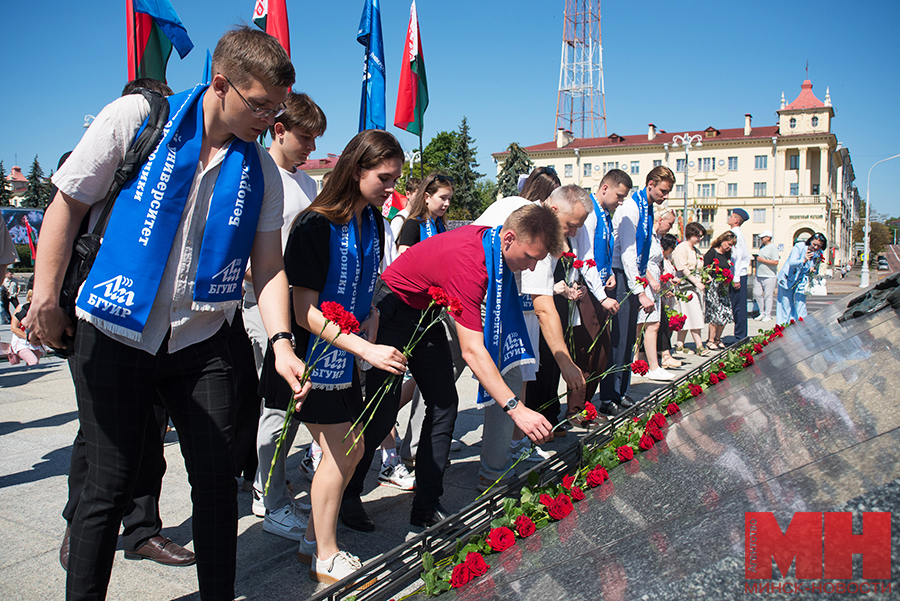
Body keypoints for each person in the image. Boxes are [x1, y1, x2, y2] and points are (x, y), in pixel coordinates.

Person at [23, 27, 312, 600]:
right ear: (221, 83)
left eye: (276, 110)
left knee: (214, 481)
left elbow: (269, 266)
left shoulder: (260, 172)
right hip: (113, 331)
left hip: (200, 341)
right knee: (107, 485)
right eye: (260, 107)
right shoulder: (138, 119)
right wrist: (45, 298)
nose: (268, 121)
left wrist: (282, 343)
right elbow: (68, 202)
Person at [54, 77, 199, 576]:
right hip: (98, 307)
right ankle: (84, 523)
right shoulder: (115, 145)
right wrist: (46, 300)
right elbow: (66, 214)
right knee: (99, 435)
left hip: (156, 320)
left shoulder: (180, 153)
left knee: (152, 428)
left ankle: (141, 529)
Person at [260, 128, 408, 586]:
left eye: (395, 178)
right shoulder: (313, 223)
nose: (391, 188)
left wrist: (371, 318)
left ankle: (311, 541)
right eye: (383, 177)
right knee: (347, 448)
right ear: (355, 169)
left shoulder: (375, 223)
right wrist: (365, 346)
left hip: (346, 358)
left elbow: (369, 279)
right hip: (309, 358)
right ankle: (325, 553)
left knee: (342, 450)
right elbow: (303, 309)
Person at [356, 203, 563, 530]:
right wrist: (515, 408)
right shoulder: (471, 263)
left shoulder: (493, 246)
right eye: (530, 257)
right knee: (380, 412)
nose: (531, 267)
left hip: (424, 312)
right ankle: (348, 496)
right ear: (509, 238)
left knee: (444, 403)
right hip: (391, 308)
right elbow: (472, 350)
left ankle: (426, 505)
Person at [241, 91, 327, 540]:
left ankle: (265, 482)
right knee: (280, 401)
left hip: (298, 306)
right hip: (261, 304)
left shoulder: (308, 184)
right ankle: (268, 498)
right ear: (278, 130)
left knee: (292, 402)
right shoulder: (255, 172)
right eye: (306, 138)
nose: (311, 149)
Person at [599, 166, 675, 415]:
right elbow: (629, 253)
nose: (665, 196)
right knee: (619, 340)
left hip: (630, 277)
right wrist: (639, 290)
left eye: (668, 192)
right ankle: (609, 395)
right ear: (650, 183)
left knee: (629, 339)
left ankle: (621, 391)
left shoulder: (647, 207)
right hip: (622, 276)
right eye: (663, 190)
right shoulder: (632, 207)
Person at [568, 169, 631, 417]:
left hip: (600, 289)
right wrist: (601, 296)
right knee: (589, 354)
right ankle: (575, 409)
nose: (621, 201)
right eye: (619, 195)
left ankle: (584, 405)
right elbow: (585, 257)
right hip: (589, 292)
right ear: (605, 188)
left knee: (601, 355)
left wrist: (610, 274)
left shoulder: (605, 214)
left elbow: (602, 251)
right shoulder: (590, 212)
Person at [636, 210, 677, 381]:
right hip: (646, 282)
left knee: (651, 324)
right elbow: (639, 259)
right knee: (647, 324)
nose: (671, 227)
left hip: (653, 284)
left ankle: (648, 364)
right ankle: (650, 366)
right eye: (670, 224)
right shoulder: (646, 235)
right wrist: (651, 279)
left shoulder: (656, 238)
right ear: (661, 220)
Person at [671, 222, 707, 355]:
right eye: (698, 236)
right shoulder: (682, 248)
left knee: (685, 315)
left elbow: (699, 266)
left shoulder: (695, 250)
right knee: (694, 314)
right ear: (691, 235)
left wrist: (705, 276)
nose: (700, 239)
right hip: (686, 286)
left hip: (694, 285)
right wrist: (696, 282)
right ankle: (699, 345)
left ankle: (680, 344)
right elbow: (683, 268)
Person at [777, 233, 826, 324]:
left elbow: (815, 269)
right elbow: (792, 263)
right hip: (788, 278)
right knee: (786, 305)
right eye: (814, 244)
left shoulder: (818, 253)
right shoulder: (799, 246)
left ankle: (801, 325)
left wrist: (813, 270)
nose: (815, 247)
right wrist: (804, 260)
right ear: (810, 241)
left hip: (801, 281)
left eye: (819, 246)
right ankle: (783, 327)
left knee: (800, 303)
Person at [704, 231, 737, 350]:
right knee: (715, 313)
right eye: (728, 244)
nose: (729, 247)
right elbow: (705, 267)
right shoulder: (713, 252)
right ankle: (710, 339)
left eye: (731, 245)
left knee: (725, 312)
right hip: (713, 286)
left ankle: (718, 339)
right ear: (722, 241)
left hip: (723, 286)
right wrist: (708, 276)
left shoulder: (727, 254)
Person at [657, 233, 681, 369]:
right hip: (661, 294)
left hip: (667, 294)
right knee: (662, 324)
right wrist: (665, 288)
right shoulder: (662, 259)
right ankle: (665, 355)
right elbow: (660, 276)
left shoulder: (668, 259)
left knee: (664, 324)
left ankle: (664, 353)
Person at [728, 208, 750, 340]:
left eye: (731, 216)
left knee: (739, 307)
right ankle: (740, 334)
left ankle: (740, 336)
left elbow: (737, 256)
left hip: (738, 274)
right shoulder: (737, 233)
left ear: (736, 220)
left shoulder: (734, 234)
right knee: (738, 306)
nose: (729, 218)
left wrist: (735, 278)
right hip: (738, 274)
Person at [7, 290, 46, 365]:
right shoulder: (21, 308)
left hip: (35, 342)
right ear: (29, 298)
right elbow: (14, 328)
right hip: (22, 341)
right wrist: (29, 338)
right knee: (33, 362)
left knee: (34, 364)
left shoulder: (41, 309)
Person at [753, 230, 778, 322]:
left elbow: (775, 262)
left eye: (763, 237)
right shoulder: (762, 247)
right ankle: (761, 312)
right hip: (759, 274)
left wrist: (762, 260)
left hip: (769, 275)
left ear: (768, 237)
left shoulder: (773, 247)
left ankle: (768, 314)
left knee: (768, 295)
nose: (761, 239)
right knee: (757, 293)